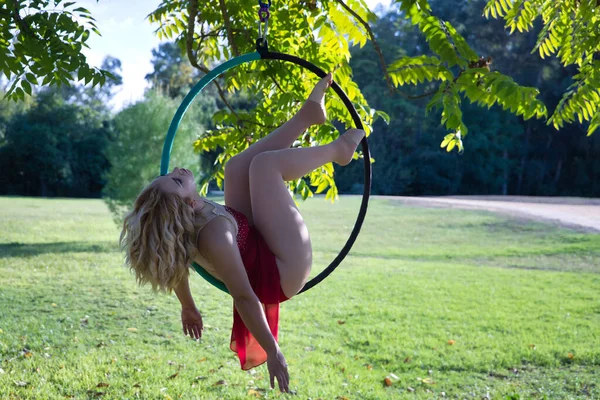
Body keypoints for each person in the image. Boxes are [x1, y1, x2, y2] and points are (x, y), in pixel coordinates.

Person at [119, 72, 365, 393]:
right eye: (177, 181)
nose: (178, 171)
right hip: (281, 271)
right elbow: (245, 297)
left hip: (257, 243)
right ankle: (337, 151)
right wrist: (274, 351)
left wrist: (188, 306)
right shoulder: (214, 235)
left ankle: (308, 116)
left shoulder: (186, 224)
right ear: (188, 205)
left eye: (170, 174)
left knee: (236, 168)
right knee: (263, 167)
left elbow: (177, 263)